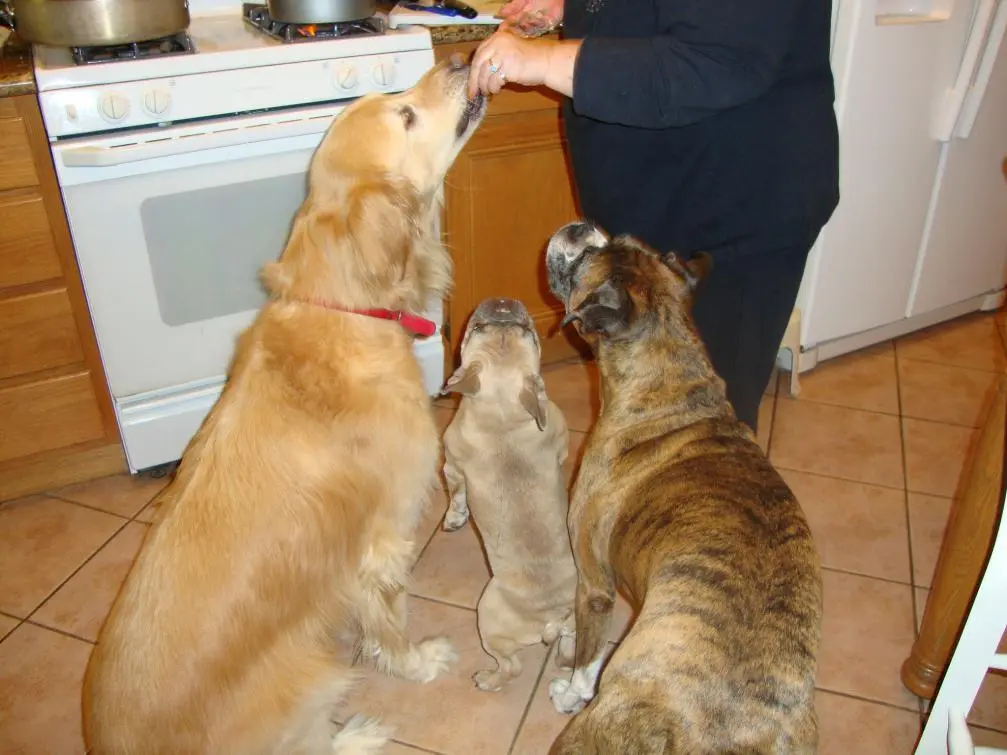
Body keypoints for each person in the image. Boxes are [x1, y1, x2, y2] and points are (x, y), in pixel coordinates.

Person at [466, 0, 840, 432]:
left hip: (731, 216)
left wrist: (546, 60)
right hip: (659, 204)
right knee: (641, 411)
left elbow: (716, 60)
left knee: (696, 433)